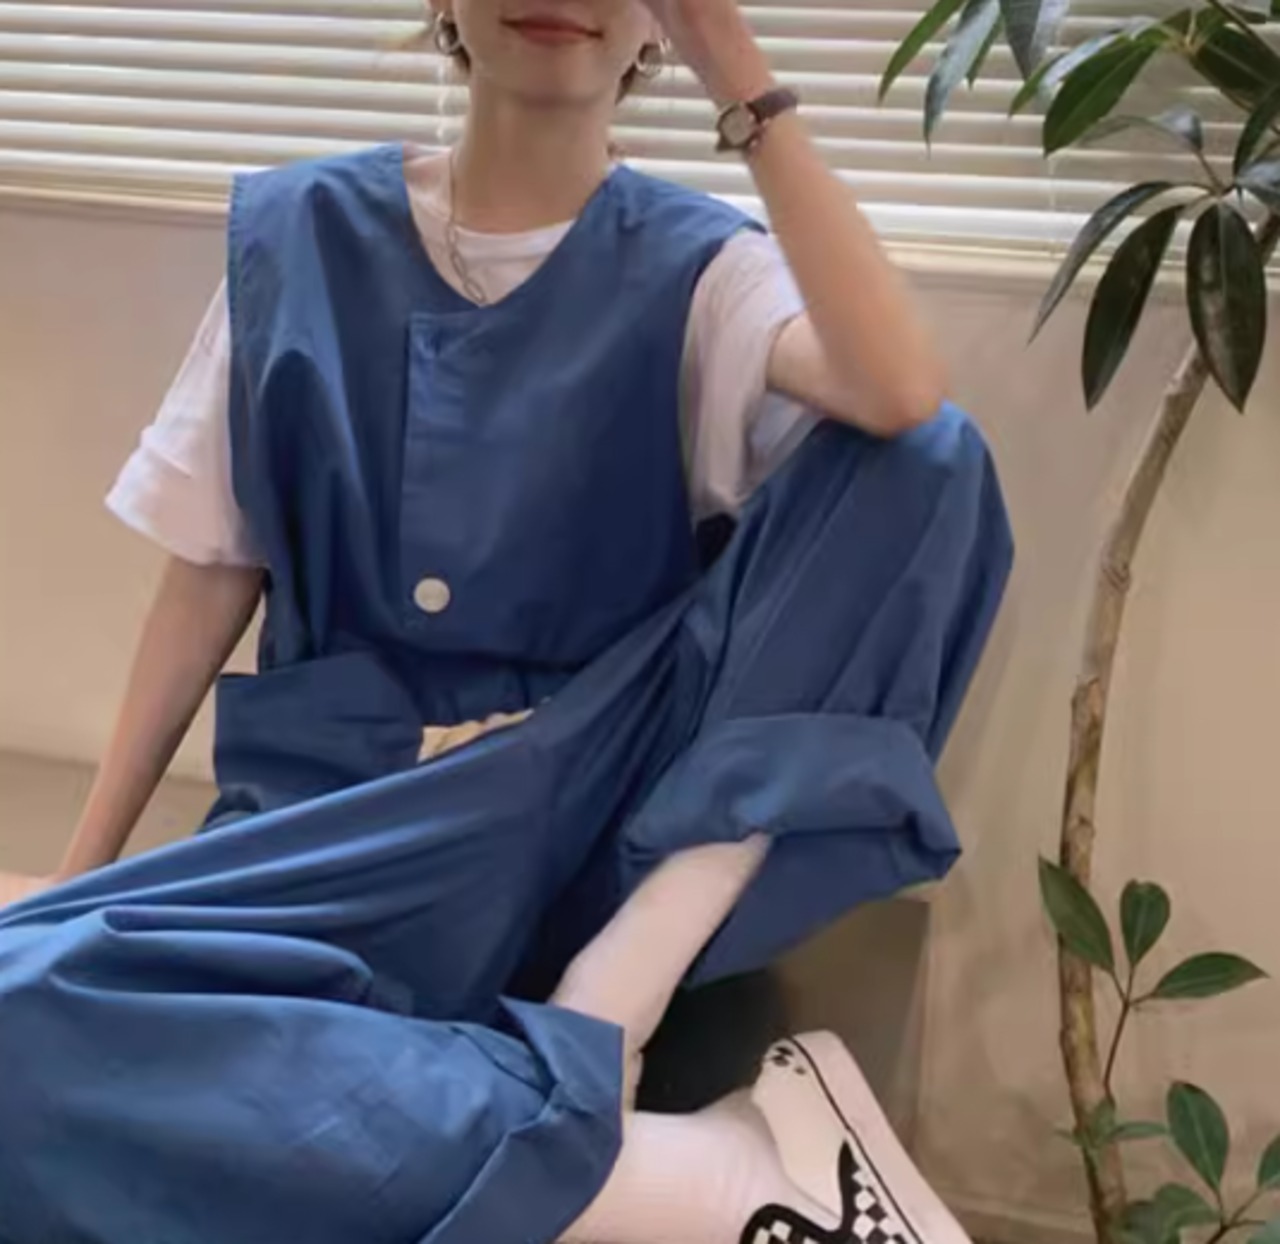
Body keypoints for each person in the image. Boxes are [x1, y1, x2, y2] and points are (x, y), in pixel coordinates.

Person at [0, 0, 1012, 1239]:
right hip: (332, 812)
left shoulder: (701, 269)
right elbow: (212, 568)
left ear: (657, 25)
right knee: (19, 1003)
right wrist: (80, 874)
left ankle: (608, 1004)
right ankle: (695, 1173)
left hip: (575, 817)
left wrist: (737, 71)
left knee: (928, 456)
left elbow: (899, 393)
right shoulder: (299, 234)